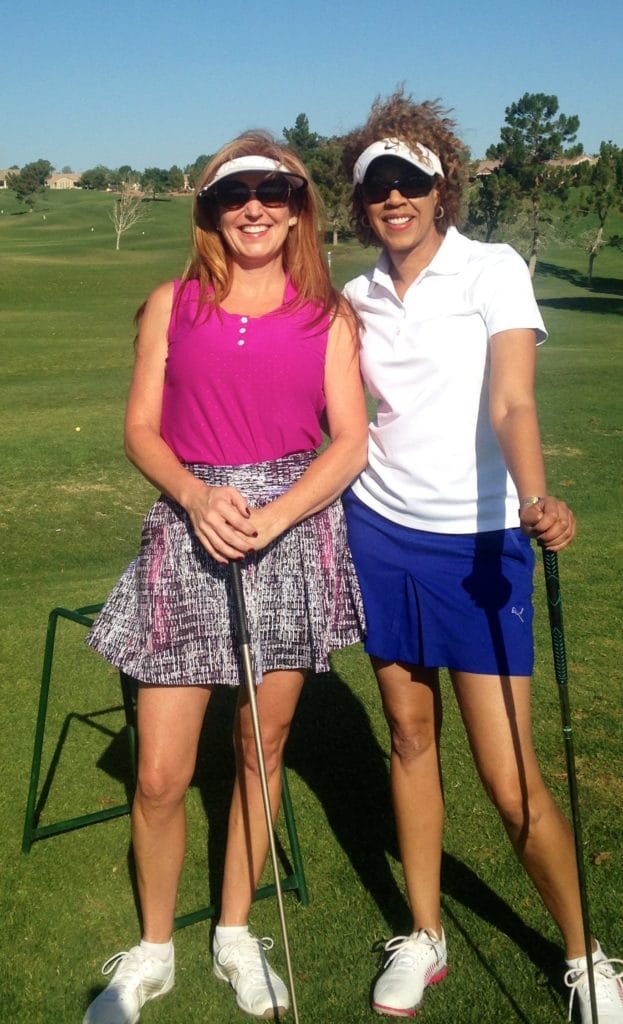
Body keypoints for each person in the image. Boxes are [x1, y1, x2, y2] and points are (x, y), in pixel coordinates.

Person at [340, 90, 623, 1023]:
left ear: (441, 188)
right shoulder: (355, 297)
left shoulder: (490, 269)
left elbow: (511, 401)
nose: (394, 197)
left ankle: (584, 956)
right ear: (361, 202)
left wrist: (536, 496)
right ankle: (424, 935)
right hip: (379, 532)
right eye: (376, 185)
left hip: (481, 543)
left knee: (509, 780)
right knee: (408, 736)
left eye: (409, 181)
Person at [82, 130, 368, 1024]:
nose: (253, 209)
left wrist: (277, 517)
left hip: (290, 538)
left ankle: (236, 932)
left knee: (260, 750)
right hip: (186, 529)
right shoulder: (171, 304)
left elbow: (349, 443)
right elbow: (139, 428)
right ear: (209, 210)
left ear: (297, 208)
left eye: (272, 193)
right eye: (233, 194)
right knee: (160, 774)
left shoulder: (329, 317)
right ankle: (154, 948)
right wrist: (195, 494)